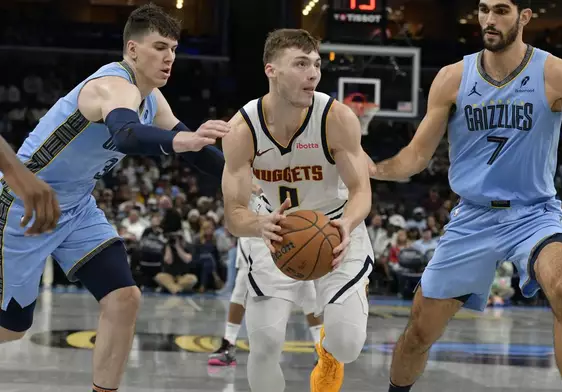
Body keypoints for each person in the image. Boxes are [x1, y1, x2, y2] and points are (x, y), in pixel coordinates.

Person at [368, 1, 562, 392]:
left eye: (501, 10)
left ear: (524, 17)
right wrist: (375, 169)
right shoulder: (452, 77)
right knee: (418, 332)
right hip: (472, 217)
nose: (489, 20)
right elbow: (416, 156)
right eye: (483, 10)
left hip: (535, 213)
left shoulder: (554, 72)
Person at [0, 4, 228, 392]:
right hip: (24, 206)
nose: (169, 56)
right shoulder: (112, 84)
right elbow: (126, 134)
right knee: (11, 330)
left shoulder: (152, 99)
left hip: (76, 208)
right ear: (133, 50)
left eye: (173, 48)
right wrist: (179, 141)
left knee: (124, 298)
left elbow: (199, 152)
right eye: (160, 46)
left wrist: (251, 181)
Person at [221, 29, 373, 392]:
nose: (313, 74)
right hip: (274, 229)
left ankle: (329, 354)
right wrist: (259, 226)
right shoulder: (242, 129)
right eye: (301, 64)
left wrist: (348, 224)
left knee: (347, 344)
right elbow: (234, 214)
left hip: (336, 227)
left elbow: (361, 191)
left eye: (317, 65)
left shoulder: (337, 118)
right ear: (271, 70)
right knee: (264, 345)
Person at [207, 188, 323, 367]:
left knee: (307, 287)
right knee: (242, 286)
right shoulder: (245, 165)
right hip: (255, 227)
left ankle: (320, 347)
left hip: (288, 223)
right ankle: (228, 343)